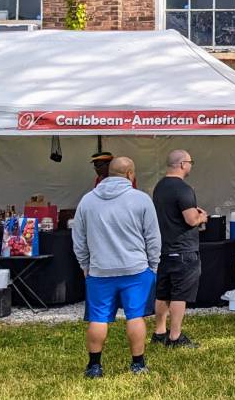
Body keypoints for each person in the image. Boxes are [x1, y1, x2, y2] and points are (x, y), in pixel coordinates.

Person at [72, 156, 161, 378]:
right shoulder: (141, 200)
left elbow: (79, 239)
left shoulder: (87, 200)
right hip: (135, 269)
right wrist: (153, 265)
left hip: (100, 270)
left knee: (98, 318)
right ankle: (138, 364)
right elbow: (153, 237)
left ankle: (94, 366)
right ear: (130, 174)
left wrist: (85, 264)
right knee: (135, 316)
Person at [152, 150, 207, 348]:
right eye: (190, 162)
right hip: (183, 250)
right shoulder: (183, 189)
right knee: (179, 294)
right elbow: (191, 219)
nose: (191, 165)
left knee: (163, 293)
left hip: (164, 248)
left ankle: (159, 332)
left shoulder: (159, 187)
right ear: (183, 164)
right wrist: (202, 217)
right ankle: (175, 337)